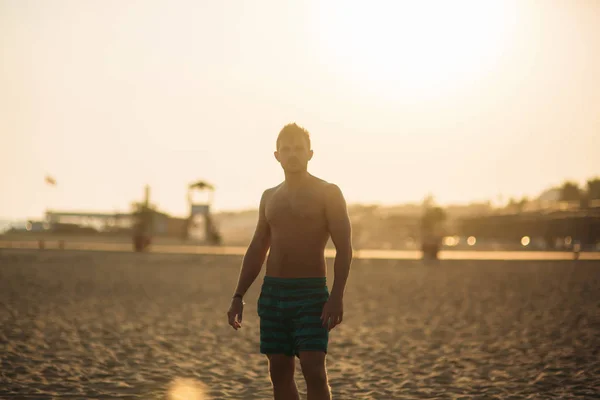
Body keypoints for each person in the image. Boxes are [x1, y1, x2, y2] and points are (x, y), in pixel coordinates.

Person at [227, 123, 353, 400]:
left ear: (310, 153)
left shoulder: (328, 192)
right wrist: (238, 295)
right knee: (279, 373)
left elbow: (344, 249)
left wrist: (337, 296)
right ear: (277, 155)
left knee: (314, 369)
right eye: (287, 149)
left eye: (299, 149)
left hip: (310, 293)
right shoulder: (269, 197)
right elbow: (258, 247)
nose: (293, 154)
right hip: (273, 294)